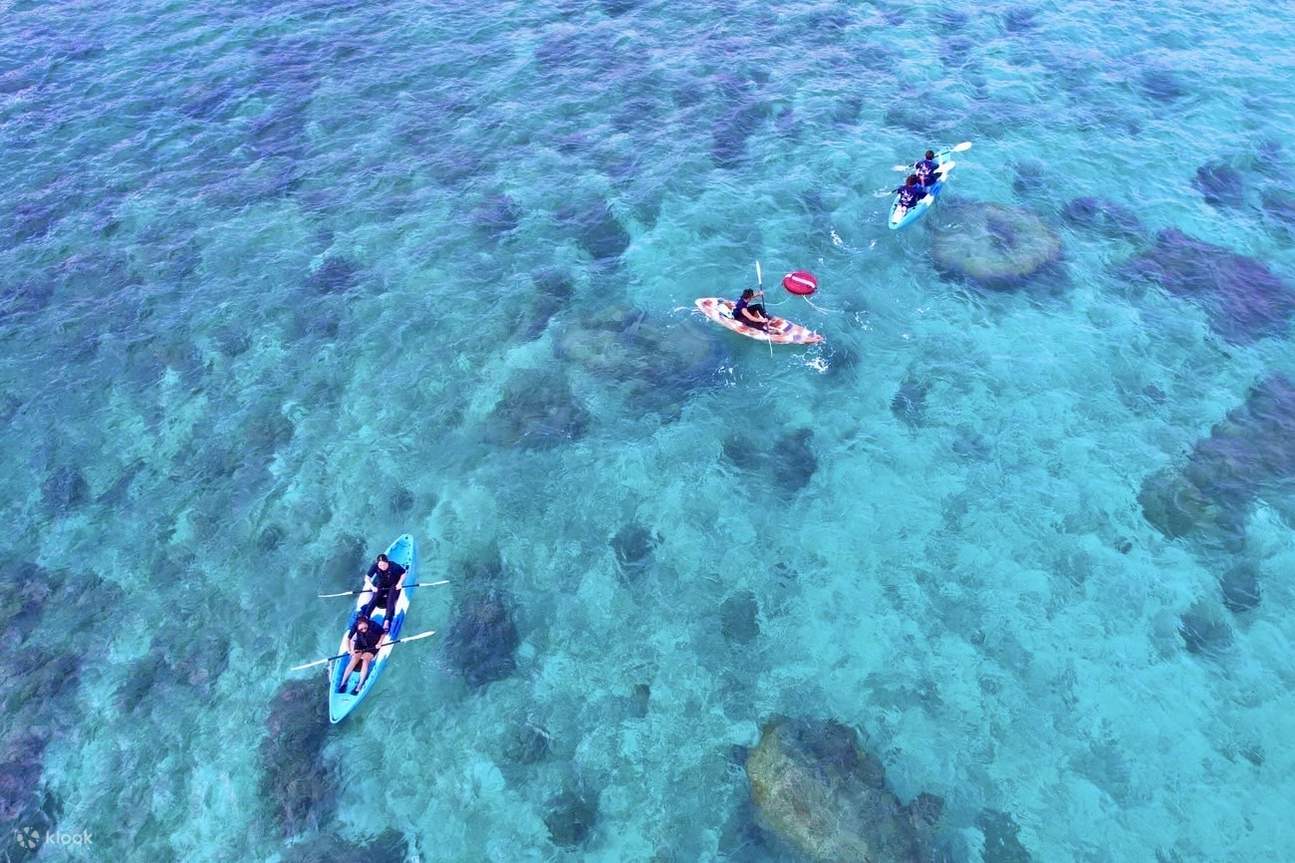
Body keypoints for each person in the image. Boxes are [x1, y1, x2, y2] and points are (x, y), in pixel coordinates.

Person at [359, 553, 407, 633]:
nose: (382, 567)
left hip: (393, 584)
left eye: (384, 565)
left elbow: (404, 573)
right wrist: (372, 587)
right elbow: (367, 578)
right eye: (380, 565)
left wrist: (399, 583)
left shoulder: (393, 566)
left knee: (390, 600)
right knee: (375, 597)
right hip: (381, 583)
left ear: (387, 562)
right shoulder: (375, 566)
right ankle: (366, 616)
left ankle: (387, 621)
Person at [337, 614, 384, 695]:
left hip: (372, 646)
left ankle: (359, 686)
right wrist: (350, 650)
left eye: (365, 628)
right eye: (361, 629)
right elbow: (348, 638)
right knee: (354, 659)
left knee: (365, 660)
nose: (364, 630)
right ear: (357, 627)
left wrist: (379, 643)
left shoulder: (374, 625)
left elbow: (383, 633)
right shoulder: (355, 626)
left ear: (367, 624)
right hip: (360, 644)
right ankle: (343, 683)